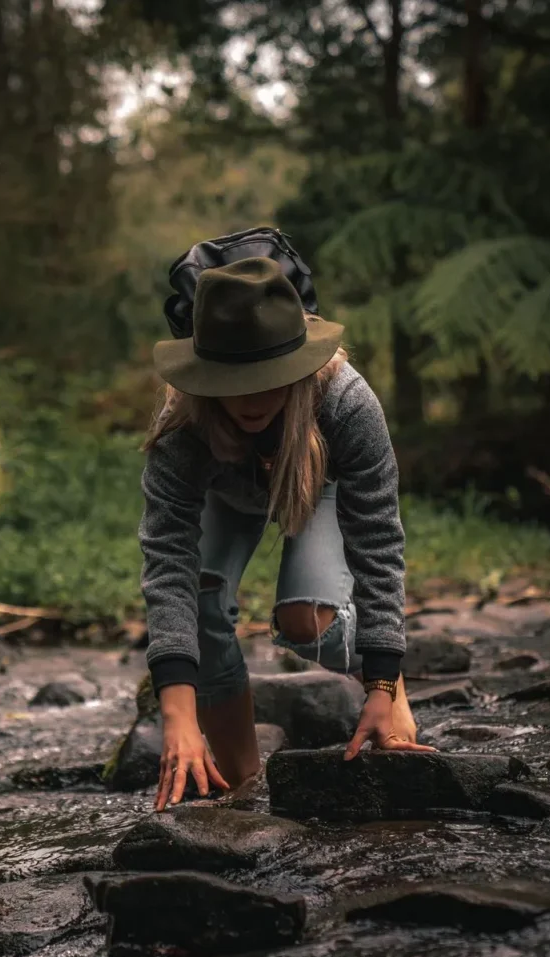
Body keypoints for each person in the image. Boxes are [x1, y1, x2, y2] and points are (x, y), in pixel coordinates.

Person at [139, 255, 433, 813]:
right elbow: (167, 556)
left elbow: (377, 540)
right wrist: (175, 714)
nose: (251, 397)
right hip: (227, 494)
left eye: (267, 379)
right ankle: (243, 792)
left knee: (306, 619)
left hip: (317, 481)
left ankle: (379, 674)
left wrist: (383, 677)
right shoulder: (183, 425)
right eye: (233, 381)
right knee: (201, 598)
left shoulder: (346, 401)